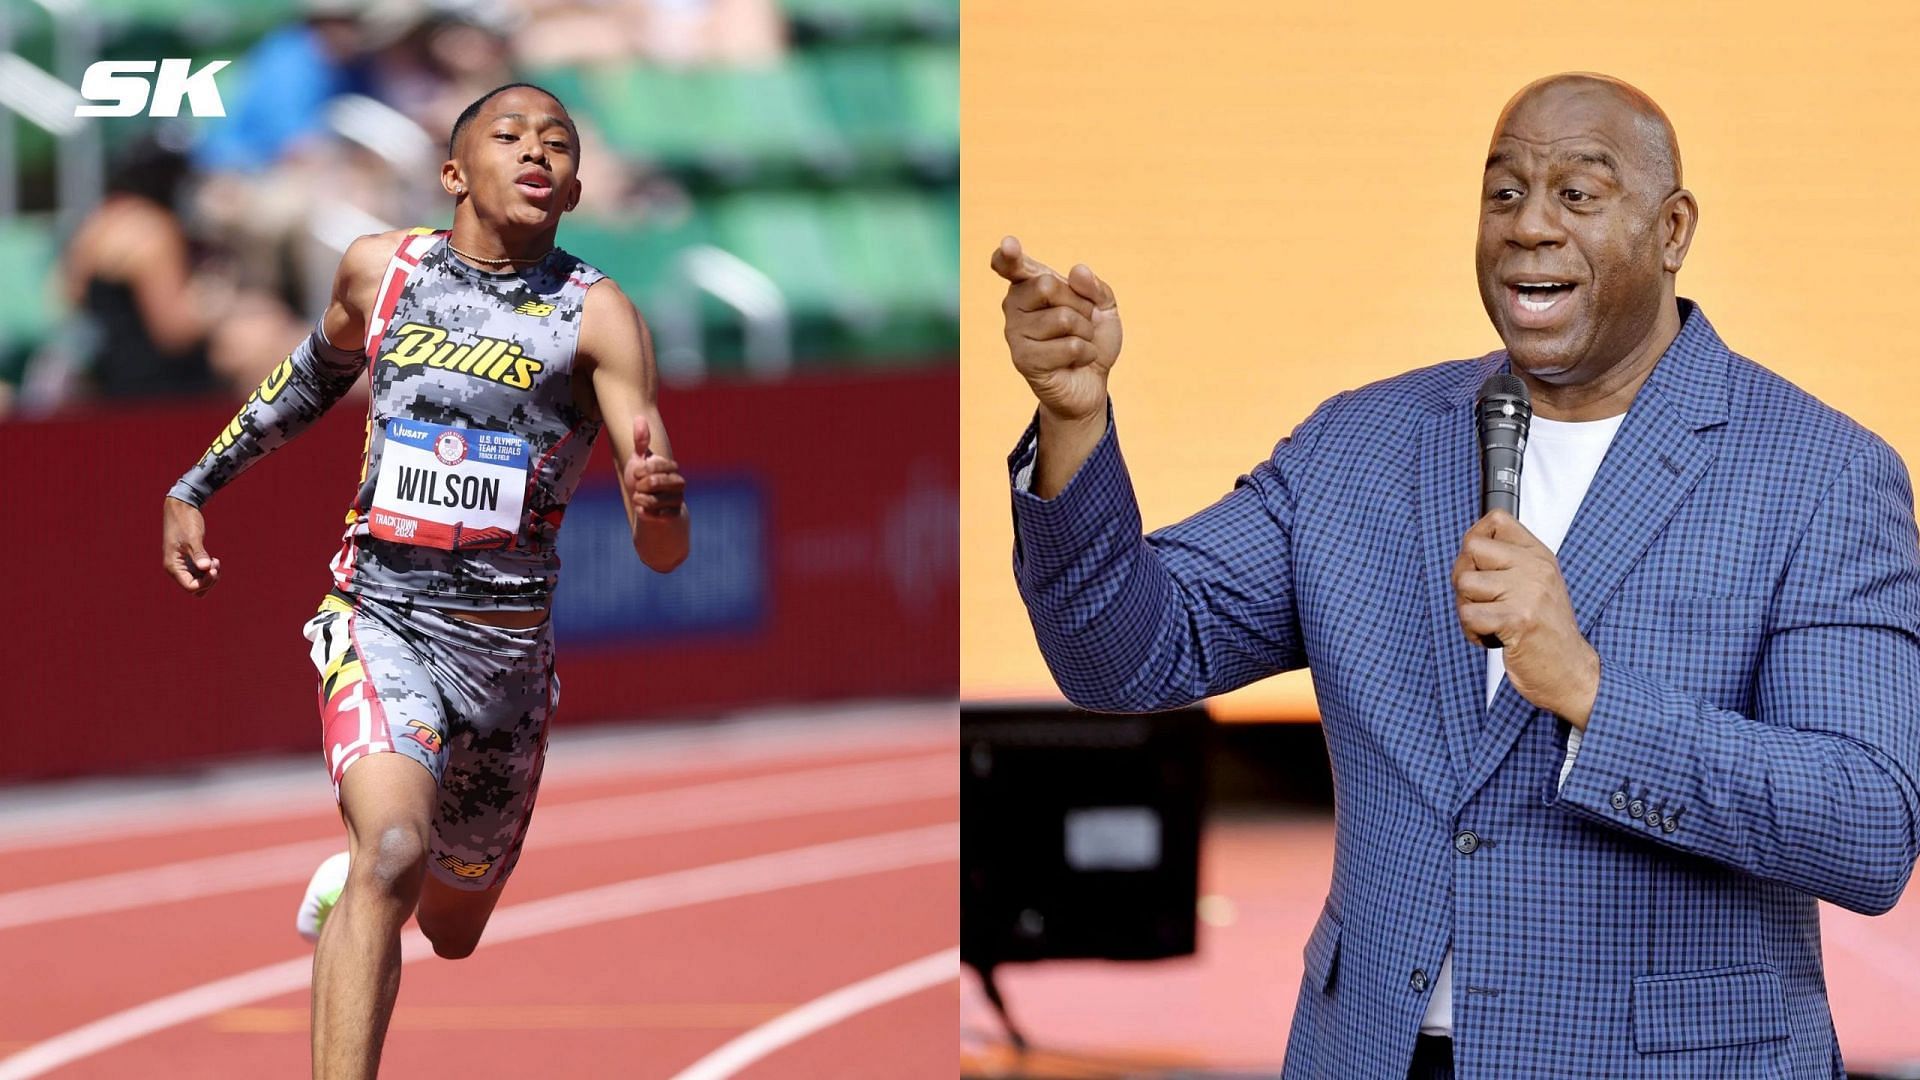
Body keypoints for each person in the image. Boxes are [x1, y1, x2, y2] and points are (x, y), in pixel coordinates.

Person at [991, 72, 1920, 1080]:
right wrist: (1074, 423)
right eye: (1505, 192)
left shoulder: (1822, 475)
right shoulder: (1361, 447)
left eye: (1578, 193)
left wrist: (1594, 696)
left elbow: (1867, 827)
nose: (1529, 227)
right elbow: (1127, 658)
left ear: (1672, 229)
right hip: (1376, 1055)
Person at [160, 82, 690, 1079]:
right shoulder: (382, 270)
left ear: (574, 190)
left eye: (561, 144)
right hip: (379, 619)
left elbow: (663, 549)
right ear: (453, 172)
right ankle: (369, 874)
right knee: (395, 854)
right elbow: (308, 379)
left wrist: (660, 507)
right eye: (511, 135)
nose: (539, 152)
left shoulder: (600, 318)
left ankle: (361, 878)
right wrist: (198, 483)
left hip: (507, 666)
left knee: (450, 924)